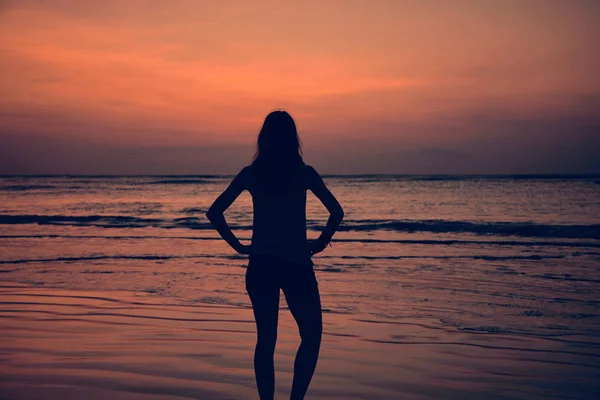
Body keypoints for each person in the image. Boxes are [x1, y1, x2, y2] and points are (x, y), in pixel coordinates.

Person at [206, 110, 344, 400]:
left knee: (266, 340)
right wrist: (320, 242)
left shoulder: (252, 173)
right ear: (292, 138)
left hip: (261, 264)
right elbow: (336, 212)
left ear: (264, 138)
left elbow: (215, 212)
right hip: (296, 266)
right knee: (312, 336)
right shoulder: (304, 173)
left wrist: (240, 246)